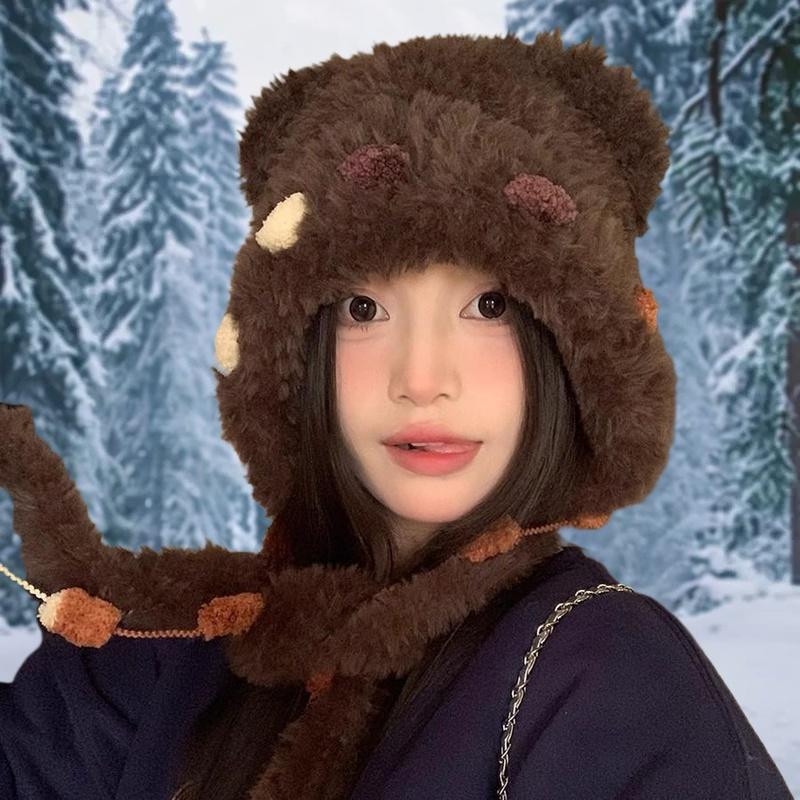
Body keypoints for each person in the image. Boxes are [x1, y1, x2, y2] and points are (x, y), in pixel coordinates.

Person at [0, 29, 793, 800]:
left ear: (571, 354)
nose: (421, 379)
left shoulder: (610, 681)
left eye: (488, 306)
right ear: (294, 358)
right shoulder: (155, 656)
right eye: (363, 308)